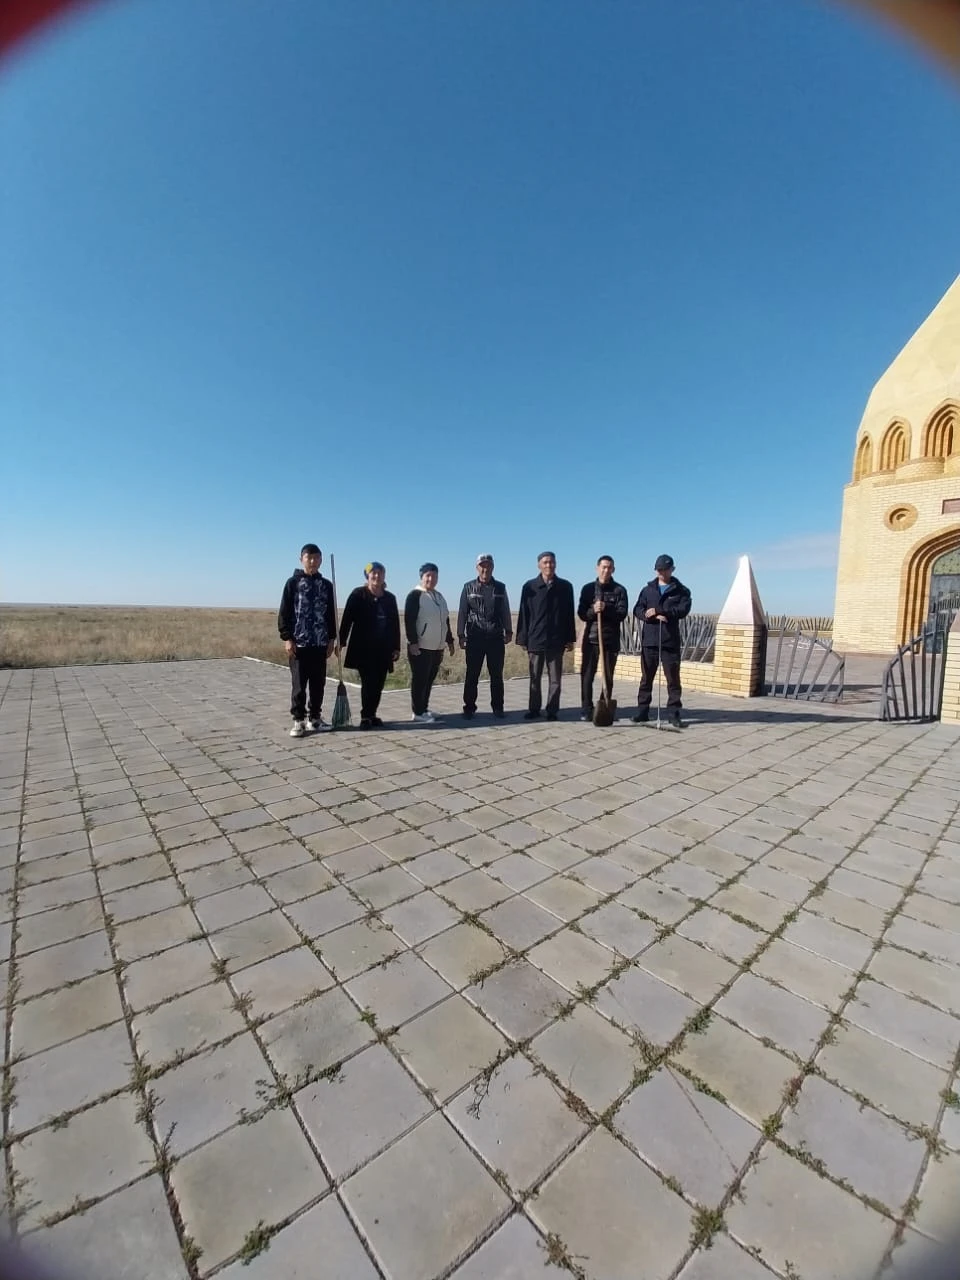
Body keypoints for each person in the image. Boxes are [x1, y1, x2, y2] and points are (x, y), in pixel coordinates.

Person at [277, 543, 337, 737]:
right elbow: (284, 612)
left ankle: (315, 719)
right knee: (299, 684)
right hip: (299, 644)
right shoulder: (292, 583)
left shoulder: (326, 585)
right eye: (309, 557)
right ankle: (298, 720)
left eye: (316, 557)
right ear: (301, 559)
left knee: (318, 684)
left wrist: (331, 639)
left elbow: (331, 615)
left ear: (321, 560)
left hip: (320, 643)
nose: (312, 561)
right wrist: (287, 638)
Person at [338, 562, 401, 729]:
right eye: (373, 573)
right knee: (368, 682)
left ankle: (372, 714)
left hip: (384, 649)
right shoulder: (358, 594)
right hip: (363, 649)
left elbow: (395, 624)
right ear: (367, 576)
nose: (377, 576)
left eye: (380, 573)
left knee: (379, 683)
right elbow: (347, 619)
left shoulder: (390, 598)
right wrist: (341, 641)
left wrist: (396, 647)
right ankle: (365, 716)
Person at [631, 554, 692, 728]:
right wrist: (648, 616)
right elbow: (637, 609)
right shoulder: (647, 590)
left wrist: (660, 611)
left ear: (672, 569)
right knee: (646, 678)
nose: (661, 573)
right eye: (658, 570)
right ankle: (642, 711)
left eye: (664, 569)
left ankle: (673, 714)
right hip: (650, 640)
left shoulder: (681, 591)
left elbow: (682, 610)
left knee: (673, 680)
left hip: (669, 641)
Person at [515, 551, 576, 720]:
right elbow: (524, 613)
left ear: (555, 564)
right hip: (536, 638)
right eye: (545, 562)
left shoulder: (565, 587)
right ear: (539, 565)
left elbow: (569, 614)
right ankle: (534, 709)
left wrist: (570, 639)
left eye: (551, 562)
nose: (549, 565)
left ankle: (552, 710)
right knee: (535, 677)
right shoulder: (530, 586)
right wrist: (522, 638)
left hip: (557, 640)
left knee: (555, 679)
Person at [458, 554, 512, 719]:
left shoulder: (500, 588)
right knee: (472, 675)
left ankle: (498, 707)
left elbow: (505, 610)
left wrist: (509, 631)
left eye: (488, 565)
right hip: (475, 637)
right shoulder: (468, 587)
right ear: (477, 568)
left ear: (492, 567)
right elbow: (462, 612)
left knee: (496, 675)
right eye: (482, 565)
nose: (485, 569)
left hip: (495, 638)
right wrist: (461, 634)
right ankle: (469, 707)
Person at [578, 555, 629, 721]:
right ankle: (586, 708)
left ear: (613, 569)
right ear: (597, 568)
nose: (606, 570)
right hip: (592, 638)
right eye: (603, 567)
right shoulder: (588, 589)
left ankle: (604, 705)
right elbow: (582, 613)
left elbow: (622, 614)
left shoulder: (619, 590)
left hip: (610, 639)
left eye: (609, 567)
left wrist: (606, 608)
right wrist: (593, 610)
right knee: (587, 675)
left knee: (607, 676)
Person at [404, 563, 455, 723]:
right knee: (420, 680)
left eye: (434, 576)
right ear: (422, 577)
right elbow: (409, 620)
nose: (431, 579)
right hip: (421, 646)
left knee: (429, 680)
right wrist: (413, 642)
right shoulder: (415, 595)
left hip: (437, 647)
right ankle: (417, 712)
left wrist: (449, 640)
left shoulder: (439, 596)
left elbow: (445, 620)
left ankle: (424, 708)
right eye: (428, 575)